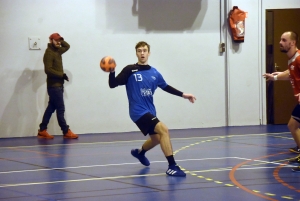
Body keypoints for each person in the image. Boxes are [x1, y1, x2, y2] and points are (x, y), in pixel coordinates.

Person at [109, 41, 196, 177]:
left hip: (150, 111)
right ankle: (172, 166)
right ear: (136, 53)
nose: (142, 53)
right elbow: (113, 84)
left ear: (149, 53)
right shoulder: (129, 70)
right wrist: (112, 72)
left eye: (144, 50)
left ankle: (140, 152)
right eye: (139, 50)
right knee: (164, 129)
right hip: (137, 111)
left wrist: (183, 95)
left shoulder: (154, 72)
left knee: (156, 139)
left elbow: (165, 86)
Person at [263, 31, 300, 171]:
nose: (280, 42)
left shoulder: (298, 58)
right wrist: (276, 77)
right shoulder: (292, 60)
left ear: (293, 43)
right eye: (280, 39)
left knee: (293, 125)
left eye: (284, 40)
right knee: (293, 125)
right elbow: (291, 73)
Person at [37, 33, 78, 139]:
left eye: (60, 40)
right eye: (56, 40)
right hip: (54, 86)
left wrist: (60, 40)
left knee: (51, 107)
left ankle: (42, 130)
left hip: (58, 85)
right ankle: (66, 131)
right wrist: (62, 75)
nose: (59, 42)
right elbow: (48, 70)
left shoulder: (58, 51)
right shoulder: (49, 53)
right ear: (51, 40)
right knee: (60, 109)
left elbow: (67, 46)